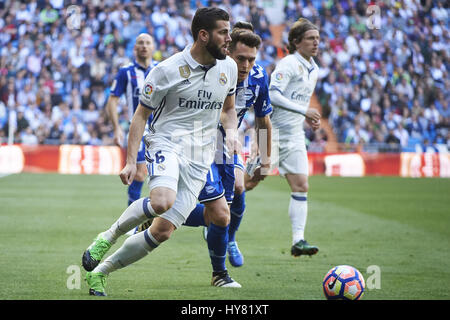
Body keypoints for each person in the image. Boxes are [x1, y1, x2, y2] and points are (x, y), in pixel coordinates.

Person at [81, 7, 238, 296]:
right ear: (203, 35)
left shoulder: (229, 68)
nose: (230, 38)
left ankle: (100, 273)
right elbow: (140, 116)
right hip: (166, 141)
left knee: (162, 231)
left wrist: (231, 133)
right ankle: (108, 236)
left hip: (200, 157)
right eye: (223, 32)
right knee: (163, 200)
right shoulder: (167, 70)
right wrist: (130, 161)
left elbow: (229, 110)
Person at [182, 24, 272, 275]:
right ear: (228, 52)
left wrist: (265, 158)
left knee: (235, 192)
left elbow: (264, 120)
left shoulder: (259, 78)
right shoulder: (209, 71)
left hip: (228, 144)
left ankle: (230, 239)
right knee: (213, 212)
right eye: (241, 59)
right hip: (198, 144)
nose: (245, 66)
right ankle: (155, 210)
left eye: (251, 60)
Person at [247, 18, 322, 258]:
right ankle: (214, 219)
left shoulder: (314, 69)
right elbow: (273, 95)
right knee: (248, 182)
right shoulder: (289, 63)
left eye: (318, 39)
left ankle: (298, 240)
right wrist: (304, 111)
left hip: (294, 135)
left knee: (301, 185)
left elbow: (296, 100)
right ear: (297, 41)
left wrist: (306, 116)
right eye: (311, 38)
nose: (316, 43)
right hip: (271, 132)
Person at [106, 33, 158, 208]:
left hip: (162, 130)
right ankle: (131, 219)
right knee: (139, 173)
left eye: (147, 43)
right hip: (139, 129)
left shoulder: (160, 70)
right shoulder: (126, 72)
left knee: (157, 176)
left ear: (153, 47)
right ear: (135, 48)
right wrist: (117, 128)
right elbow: (112, 100)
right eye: (140, 43)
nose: (144, 46)